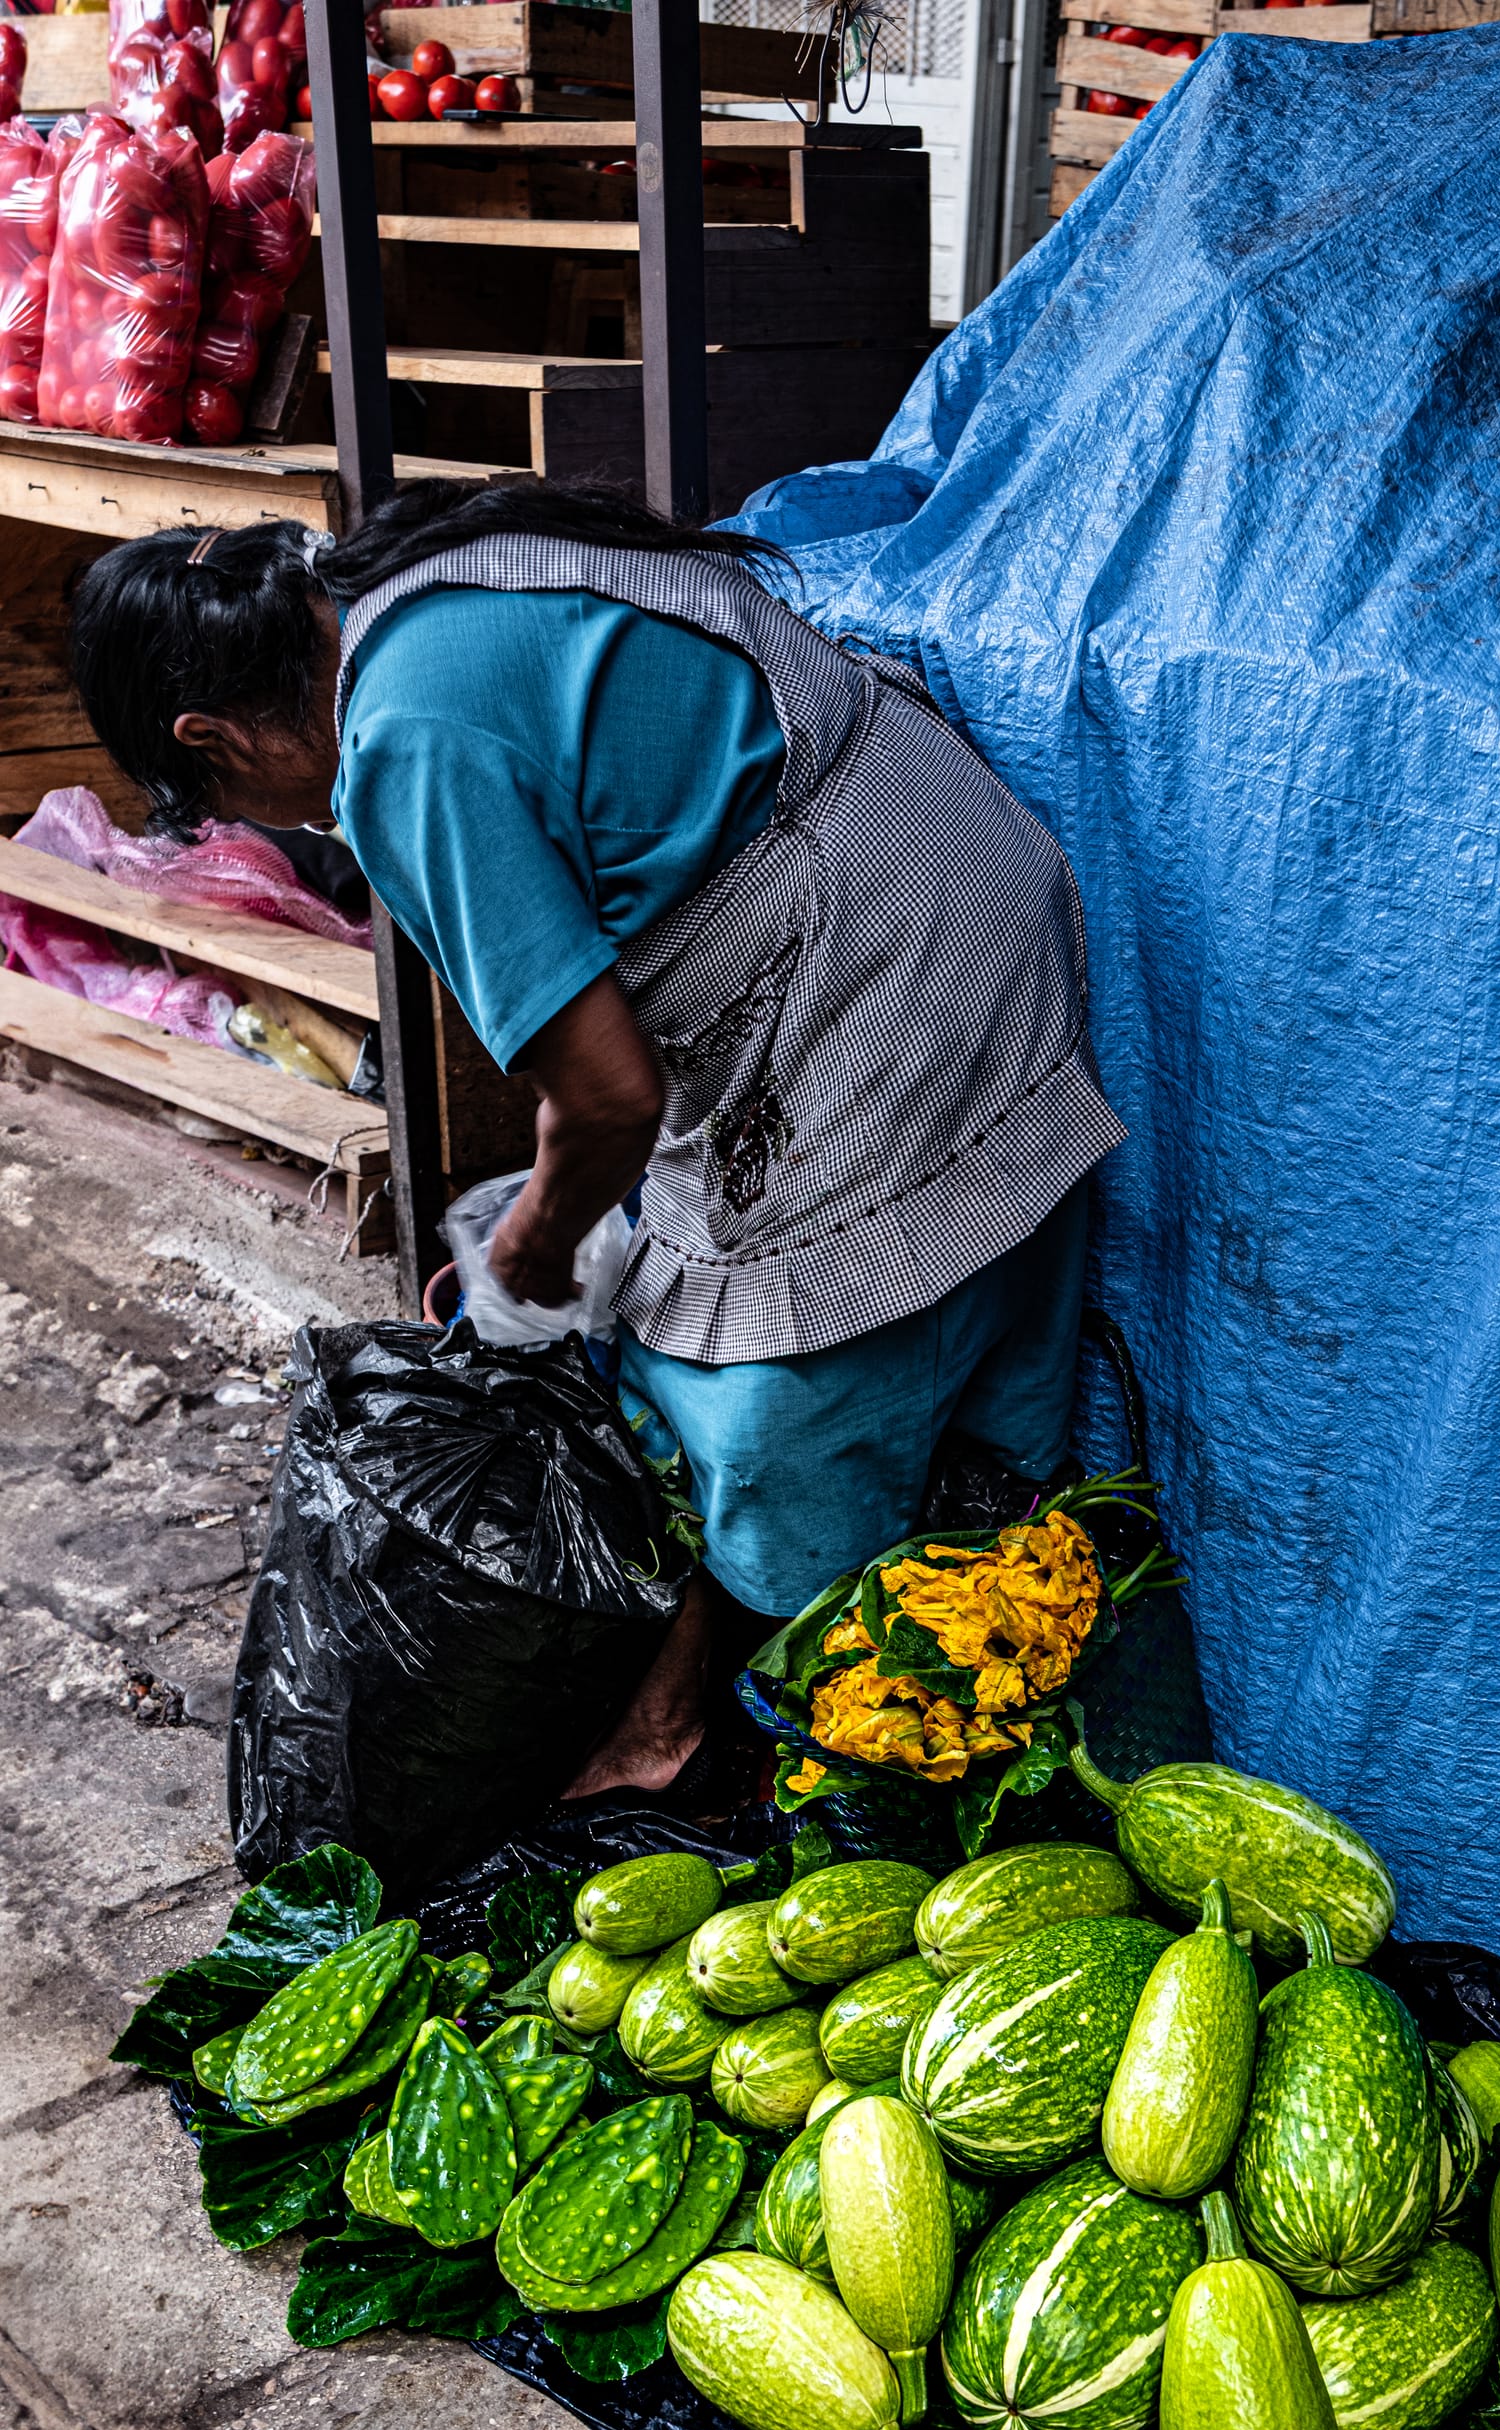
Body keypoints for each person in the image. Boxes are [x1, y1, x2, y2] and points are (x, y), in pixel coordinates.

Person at [69, 479, 1122, 1800]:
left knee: (786, 1397)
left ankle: (704, 1731)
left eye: (226, 798)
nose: (274, 824)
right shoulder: (419, 563)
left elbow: (614, 1098)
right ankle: (986, 1619)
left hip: (877, 969)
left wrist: (532, 1249)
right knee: (959, 1328)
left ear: (209, 733)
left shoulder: (407, 742)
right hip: (964, 876)